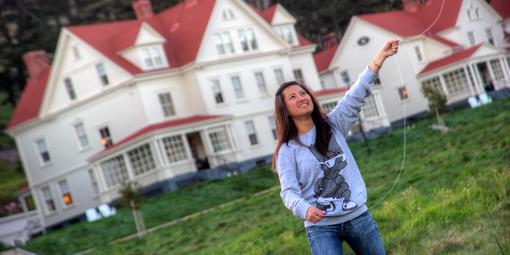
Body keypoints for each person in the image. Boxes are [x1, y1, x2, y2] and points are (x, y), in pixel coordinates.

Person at [272, 39, 399, 255]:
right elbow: (289, 192)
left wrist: (380, 57)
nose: (301, 97)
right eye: (293, 97)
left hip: (358, 218)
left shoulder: (334, 124)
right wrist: (305, 209)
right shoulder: (287, 150)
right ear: (284, 109)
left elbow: (356, 94)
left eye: (303, 93)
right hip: (321, 228)